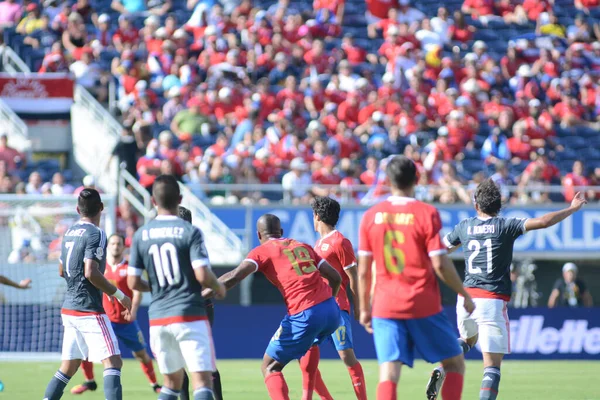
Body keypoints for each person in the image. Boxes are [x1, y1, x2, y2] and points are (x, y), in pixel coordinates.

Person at [427, 179, 587, 400]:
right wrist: (571, 208)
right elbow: (542, 222)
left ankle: (442, 368)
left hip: (465, 299)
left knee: (468, 340)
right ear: (498, 205)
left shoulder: (464, 226)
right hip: (491, 301)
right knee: (491, 368)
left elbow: (438, 250)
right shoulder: (506, 225)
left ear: (476, 205)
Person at [357, 155, 475, 400]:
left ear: (388, 180)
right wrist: (463, 293)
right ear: (417, 178)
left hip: (385, 305)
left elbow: (364, 270)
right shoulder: (426, 213)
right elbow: (440, 264)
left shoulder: (370, 216)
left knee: (389, 371)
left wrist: (364, 309)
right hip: (423, 303)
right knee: (454, 364)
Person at [203, 213, 342, 400]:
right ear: (281, 232)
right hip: (332, 311)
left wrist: (202, 294)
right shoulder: (303, 246)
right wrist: (328, 304)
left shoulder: (262, 251)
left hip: (305, 312)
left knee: (269, 366)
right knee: (309, 345)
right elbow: (336, 277)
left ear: (259, 235)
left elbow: (235, 276)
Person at [127, 175, 226, 400]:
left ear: (153, 201)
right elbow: (202, 274)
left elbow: (132, 282)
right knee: (202, 381)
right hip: (189, 313)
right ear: (179, 199)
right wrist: (218, 286)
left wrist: (157, 288)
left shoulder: (141, 234)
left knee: (171, 384)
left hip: (159, 317)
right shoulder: (190, 233)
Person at [43, 189, 132, 400]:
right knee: (113, 362)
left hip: (69, 308)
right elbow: (91, 272)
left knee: (69, 366)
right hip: (88, 310)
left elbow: (61, 271)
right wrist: (119, 294)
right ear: (101, 208)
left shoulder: (69, 232)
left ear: (77, 209)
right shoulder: (97, 233)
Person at [70, 234, 161, 395]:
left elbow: (137, 291)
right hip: (104, 320)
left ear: (123, 247)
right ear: (108, 246)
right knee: (86, 349)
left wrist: (133, 311)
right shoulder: (99, 267)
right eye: (112, 243)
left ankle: (155, 384)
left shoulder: (129, 267)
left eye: (119, 243)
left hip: (126, 321)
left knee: (141, 354)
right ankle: (90, 381)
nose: (115, 246)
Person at [299, 196, 367, 400]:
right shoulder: (318, 243)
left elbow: (353, 276)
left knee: (347, 356)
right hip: (318, 309)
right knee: (305, 356)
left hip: (337, 308)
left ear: (317, 216)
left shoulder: (340, 241)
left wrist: (357, 307)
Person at [178, 206, 224, 400]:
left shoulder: (195, 246)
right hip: (179, 309)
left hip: (200, 309)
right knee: (179, 362)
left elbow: (210, 284)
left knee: (203, 361)